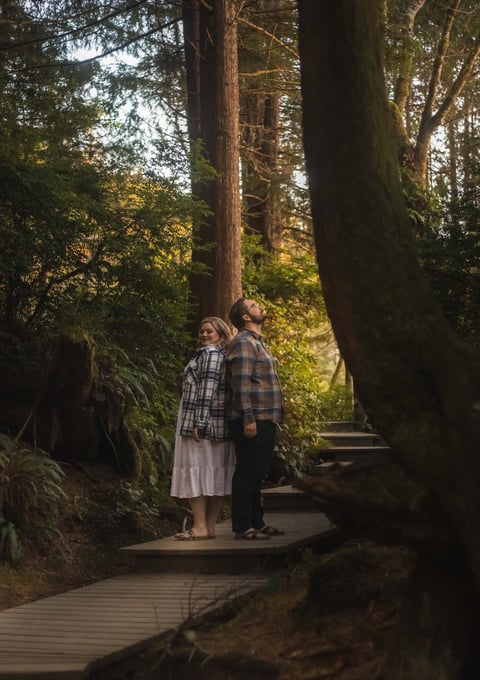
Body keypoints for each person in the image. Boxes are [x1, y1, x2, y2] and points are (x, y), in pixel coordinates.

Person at [170, 317, 235, 540]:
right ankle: (208, 527)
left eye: (210, 331)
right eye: (202, 331)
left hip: (201, 425)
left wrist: (198, 422)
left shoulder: (210, 355)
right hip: (215, 424)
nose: (204, 335)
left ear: (221, 334)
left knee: (198, 470)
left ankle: (199, 527)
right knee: (213, 471)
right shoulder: (218, 355)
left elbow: (207, 390)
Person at [226, 298, 285, 540]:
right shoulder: (243, 343)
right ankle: (243, 527)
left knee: (257, 472)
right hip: (251, 419)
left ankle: (256, 522)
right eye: (253, 306)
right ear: (246, 318)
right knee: (247, 471)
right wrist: (248, 418)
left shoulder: (257, 343)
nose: (259, 306)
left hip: (264, 417)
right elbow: (240, 384)